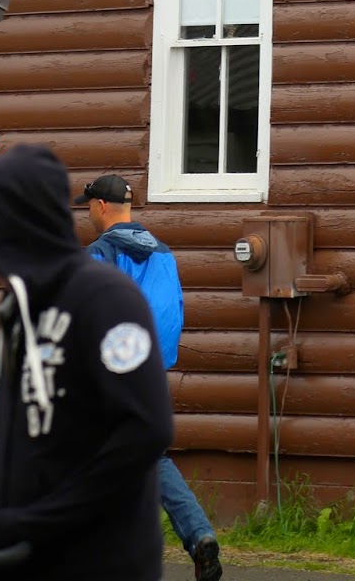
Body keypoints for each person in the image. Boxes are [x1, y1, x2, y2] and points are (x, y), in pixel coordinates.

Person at [0, 144, 172, 580]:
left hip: (102, 560)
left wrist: (39, 520)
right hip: (29, 556)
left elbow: (146, 430)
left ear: (13, 223)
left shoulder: (104, 298)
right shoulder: (19, 310)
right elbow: (6, 429)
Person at [76, 174, 223, 581]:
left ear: (102, 207)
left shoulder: (100, 252)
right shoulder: (162, 252)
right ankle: (199, 535)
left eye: (88, 205)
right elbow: (173, 309)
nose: (87, 212)